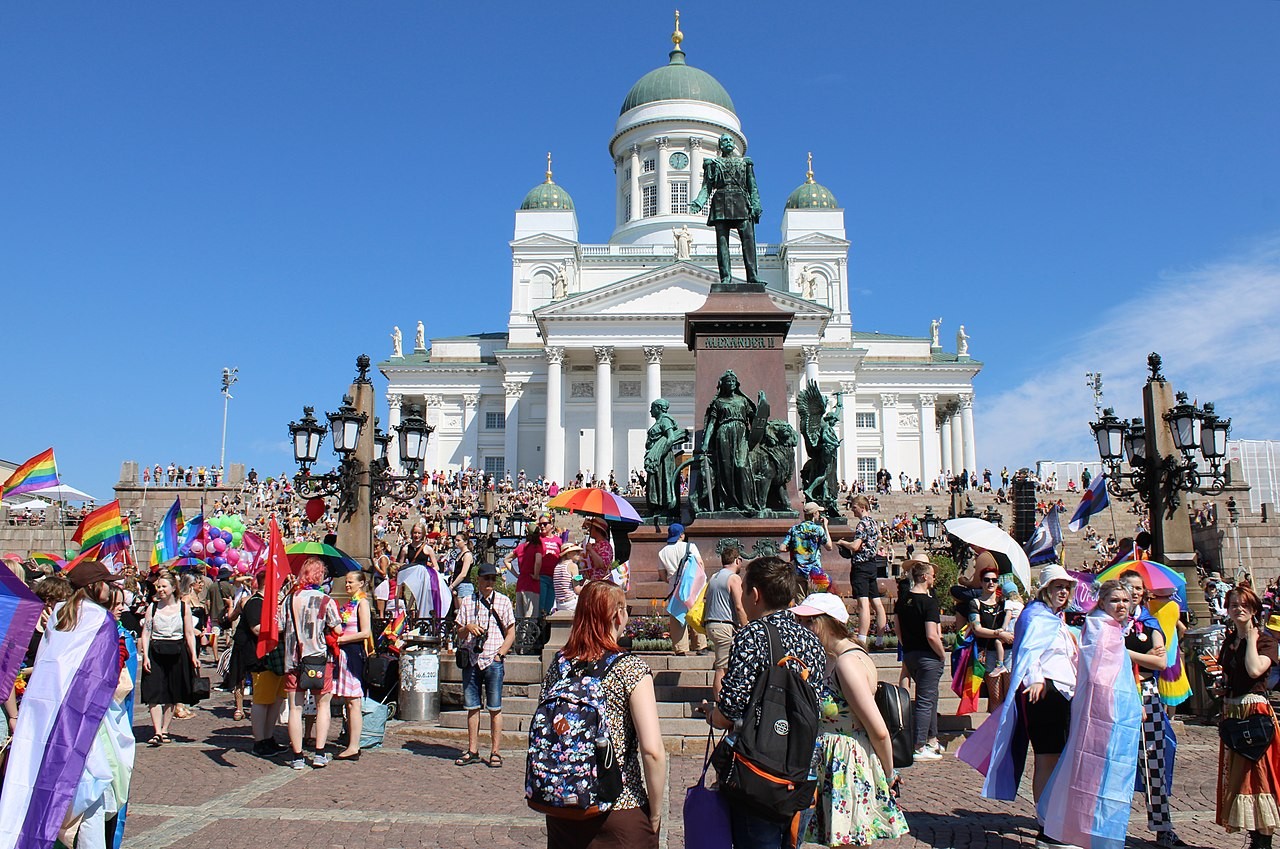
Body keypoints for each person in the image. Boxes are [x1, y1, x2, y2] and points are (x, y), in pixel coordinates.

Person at [0, 561, 126, 849]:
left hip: (41, 711)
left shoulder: (58, 613)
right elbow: (103, 676)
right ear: (95, 586)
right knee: (89, 789)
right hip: (79, 715)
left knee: (37, 779)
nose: (111, 587)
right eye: (107, 582)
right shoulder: (101, 621)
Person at [705, 556, 826, 848]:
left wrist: (712, 714)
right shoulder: (811, 640)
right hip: (800, 768)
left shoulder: (752, 636)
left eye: (744, 588)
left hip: (759, 772)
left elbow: (731, 710)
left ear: (755, 594)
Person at [958, 563, 1080, 848]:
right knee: (1048, 759)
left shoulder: (1056, 619)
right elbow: (1027, 652)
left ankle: (1054, 820)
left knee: (1060, 760)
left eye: (1066, 587)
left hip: (1064, 693)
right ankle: (1047, 827)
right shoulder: (1034, 616)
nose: (1063, 592)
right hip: (1044, 692)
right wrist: (1036, 679)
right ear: (1046, 589)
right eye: (1057, 586)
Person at [537, 581, 666, 848]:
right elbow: (652, 750)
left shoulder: (560, 664)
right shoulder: (630, 668)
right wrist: (655, 811)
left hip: (564, 807)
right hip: (620, 806)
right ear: (618, 615)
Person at [792, 593, 908, 848]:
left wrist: (889, 775)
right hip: (838, 763)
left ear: (825, 622)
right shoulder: (836, 658)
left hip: (848, 764)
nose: (801, 629)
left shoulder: (847, 662)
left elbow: (878, 729)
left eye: (807, 621)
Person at [1036, 579, 1141, 849]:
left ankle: (1078, 830)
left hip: (1111, 712)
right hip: (1101, 712)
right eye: (1115, 600)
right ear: (1102, 602)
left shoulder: (1112, 629)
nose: (1121, 605)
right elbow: (1100, 677)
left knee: (1094, 774)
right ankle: (1065, 830)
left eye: (1125, 601)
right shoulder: (1099, 629)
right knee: (1085, 771)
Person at [1120, 571, 1187, 848]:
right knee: (1116, 761)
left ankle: (1163, 827)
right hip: (1120, 694)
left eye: (1138, 588)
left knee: (1153, 760)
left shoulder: (1149, 621)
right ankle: (1109, 827)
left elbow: (1159, 663)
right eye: (1129, 587)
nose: (1134, 592)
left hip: (1147, 694)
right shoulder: (1111, 622)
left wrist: (1121, 653)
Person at [1216, 584, 1280, 848]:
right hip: (1233, 710)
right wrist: (1222, 687)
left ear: (1254, 609)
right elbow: (1230, 676)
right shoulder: (1229, 642)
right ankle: (1255, 835)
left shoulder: (1266, 641)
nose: (1238, 609)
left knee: (1260, 774)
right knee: (1240, 778)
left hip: (1255, 711)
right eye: (1233, 604)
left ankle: (1264, 839)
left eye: (1244, 604)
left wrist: (1251, 639)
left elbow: (1255, 670)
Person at [279, 557, 343, 769]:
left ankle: (297, 756)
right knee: (322, 705)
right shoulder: (325, 600)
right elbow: (337, 628)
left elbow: (279, 626)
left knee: (295, 708)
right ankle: (319, 752)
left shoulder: (289, 599)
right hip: (318, 659)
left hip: (293, 658)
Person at [454, 563, 516, 768]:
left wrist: (500, 654)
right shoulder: (467, 602)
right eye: (486, 579)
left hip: (492, 659)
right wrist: (468, 628)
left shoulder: (503, 601)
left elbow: (511, 633)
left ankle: (495, 751)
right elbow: (459, 632)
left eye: (492, 579)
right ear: (478, 581)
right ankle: (472, 749)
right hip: (472, 659)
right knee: (472, 707)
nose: (489, 582)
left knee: (495, 707)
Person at [688, 133, 763, 287]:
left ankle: (753, 277)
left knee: (748, 242)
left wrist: (756, 205)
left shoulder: (745, 163)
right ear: (720, 145)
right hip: (721, 201)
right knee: (722, 243)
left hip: (741, 202)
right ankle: (726, 277)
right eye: (725, 141)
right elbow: (707, 187)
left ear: (734, 145)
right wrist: (699, 202)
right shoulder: (713, 164)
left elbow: (752, 186)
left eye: (730, 140)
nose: (728, 143)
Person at [894, 560, 945, 762]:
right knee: (925, 701)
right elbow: (932, 635)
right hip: (928, 655)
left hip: (911, 653)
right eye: (932, 575)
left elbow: (897, 628)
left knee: (930, 697)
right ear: (924, 577)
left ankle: (932, 739)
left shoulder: (903, 600)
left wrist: (907, 645)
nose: (933, 578)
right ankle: (919, 745)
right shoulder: (929, 602)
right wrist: (941, 653)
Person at [139, 572, 198, 745]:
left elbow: (189, 633)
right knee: (153, 691)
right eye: (159, 586)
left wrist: (193, 654)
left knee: (172, 692)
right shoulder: (153, 607)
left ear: (173, 588)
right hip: (156, 651)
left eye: (164, 586)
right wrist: (145, 656)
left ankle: (165, 730)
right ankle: (157, 731)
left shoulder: (183, 608)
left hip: (177, 650)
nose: (161, 589)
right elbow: (146, 632)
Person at [701, 370, 758, 512]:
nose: (731, 383)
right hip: (724, 433)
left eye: (733, 381)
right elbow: (712, 424)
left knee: (741, 466)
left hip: (741, 433)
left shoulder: (743, 400)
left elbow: (755, 418)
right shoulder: (719, 402)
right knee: (726, 470)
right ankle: (730, 503)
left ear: (736, 383)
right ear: (723, 384)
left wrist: (762, 406)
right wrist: (706, 442)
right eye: (728, 381)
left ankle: (746, 503)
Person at [837, 495, 888, 647]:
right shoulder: (873, 522)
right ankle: (880, 639)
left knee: (863, 603)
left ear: (862, 507)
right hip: (872, 565)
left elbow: (855, 546)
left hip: (861, 566)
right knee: (877, 603)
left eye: (854, 508)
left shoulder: (862, 524)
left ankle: (862, 639)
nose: (853, 511)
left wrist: (843, 542)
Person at [333, 571, 372, 761]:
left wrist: (343, 639)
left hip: (353, 654)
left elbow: (365, 632)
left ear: (361, 584)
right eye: (346, 581)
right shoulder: (349, 604)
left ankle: (354, 745)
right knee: (349, 702)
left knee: (354, 702)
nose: (347, 585)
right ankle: (350, 740)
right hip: (343, 653)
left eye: (350, 582)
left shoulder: (362, 603)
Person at [703, 545, 748, 700]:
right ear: (737, 560)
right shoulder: (733, 578)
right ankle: (719, 704)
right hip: (723, 625)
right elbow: (739, 605)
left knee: (723, 664)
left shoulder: (714, 577)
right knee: (722, 668)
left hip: (711, 623)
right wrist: (747, 626)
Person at [657, 523, 705, 654]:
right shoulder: (690, 547)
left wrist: (672, 581)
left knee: (677, 617)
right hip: (691, 588)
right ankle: (700, 646)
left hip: (674, 588)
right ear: (682, 535)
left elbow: (662, 575)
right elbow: (700, 564)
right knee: (694, 613)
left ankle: (680, 649)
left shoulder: (662, 552)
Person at [221, 572, 258, 721]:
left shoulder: (245, 600)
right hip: (249, 641)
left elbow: (231, 617)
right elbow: (232, 617)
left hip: (246, 640)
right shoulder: (246, 600)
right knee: (243, 676)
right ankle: (244, 707)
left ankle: (240, 708)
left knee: (241, 676)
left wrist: (230, 607)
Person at [780, 502, 833, 594]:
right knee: (813, 600)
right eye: (818, 512)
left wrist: (795, 548)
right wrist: (825, 527)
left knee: (800, 601)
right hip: (814, 572)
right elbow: (829, 547)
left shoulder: (794, 529)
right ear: (814, 514)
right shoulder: (818, 529)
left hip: (798, 571)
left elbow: (782, 548)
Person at [643, 398, 683, 517]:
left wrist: (659, 452)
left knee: (663, 480)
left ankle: (664, 508)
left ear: (659, 408)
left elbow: (670, 438)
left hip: (662, 457)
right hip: (656, 457)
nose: (650, 410)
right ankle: (656, 508)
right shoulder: (659, 421)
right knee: (654, 482)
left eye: (653, 408)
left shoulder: (665, 420)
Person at [552, 542, 584, 614]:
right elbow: (577, 590)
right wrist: (587, 586)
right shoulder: (573, 566)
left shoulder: (557, 566)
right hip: (571, 603)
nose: (579, 553)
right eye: (576, 552)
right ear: (568, 554)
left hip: (559, 605)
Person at [582, 516, 613, 582]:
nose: (589, 530)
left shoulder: (605, 546)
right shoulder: (594, 545)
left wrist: (591, 550)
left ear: (597, 530)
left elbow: (601, 565)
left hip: (600, 583)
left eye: (591, 528)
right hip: (591, 582)